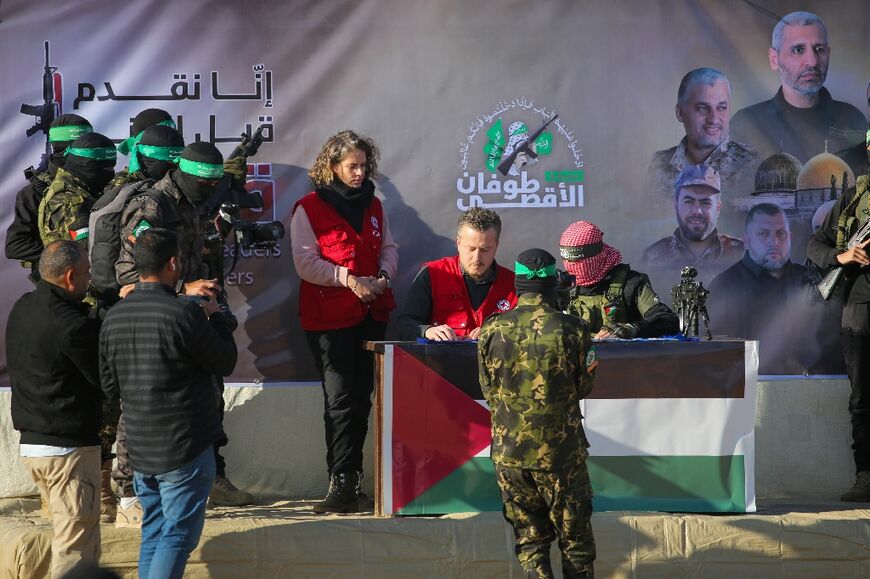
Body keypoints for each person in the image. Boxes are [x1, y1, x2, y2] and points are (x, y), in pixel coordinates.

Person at [112, 141, 253, 523]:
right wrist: (182, 289)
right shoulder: (152, 205)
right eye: (204, 184)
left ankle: (206, 478)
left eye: (215, 184)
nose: (209, 191)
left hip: (192, 318)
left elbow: (199, 250)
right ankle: (128, 493)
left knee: (207, 397)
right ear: (185, 174)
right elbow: (126, 274)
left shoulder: (194, 203)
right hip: (154, 316)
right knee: (140, 404)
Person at [99, 228, 237, 579]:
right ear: (174, 263)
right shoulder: (185, 315)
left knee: (156, 530)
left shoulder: (114, 316)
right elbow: (224, 361)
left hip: (141, 450)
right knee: (176, 535)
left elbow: (109, 385)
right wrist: (216, 315)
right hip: (184, 448)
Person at [290, 130, 398, 513]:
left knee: (363, 399)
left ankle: (353, 481)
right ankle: (338, 481)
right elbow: (306, 263)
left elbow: (388, 248)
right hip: (329, 320)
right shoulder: (309, 207)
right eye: (351, 166)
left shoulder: (375, 205)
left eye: (363, 166)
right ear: (332, 166)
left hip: (372, 314)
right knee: (340, 399)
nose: (358, 173)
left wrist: (383, 277)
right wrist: (348, 280)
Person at [478, 248, 596, 579]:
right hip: (562, 456)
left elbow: (487, 390)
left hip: (510, 455)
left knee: (531, 544)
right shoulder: (574, 329)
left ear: (517, 285)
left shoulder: (491, 329)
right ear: (550, 285)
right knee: (575, 544)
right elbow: (585, 386)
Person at [7, 241, 102, 577]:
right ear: (71, 276)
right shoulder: (70, 323)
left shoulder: (23, 307)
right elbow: (103, 379)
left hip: (36, 447)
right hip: (68, 452)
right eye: (88, 273)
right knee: (76, 551)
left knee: (75, 541)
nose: (91, 280)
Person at [708, 203, 839, 374]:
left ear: (790, 237)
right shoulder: (723, 287)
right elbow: (715, 357)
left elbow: (831, 342)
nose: (774, 242)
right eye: (763, 234)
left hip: (811, 390)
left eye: (781, 234)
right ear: (746, 240)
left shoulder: (811, 281)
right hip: (752, 391)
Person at [730, 11, 868, 163]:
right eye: (798, 50)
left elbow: (864, 183)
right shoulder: (745, 124)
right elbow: (733, 185)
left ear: (828, 54)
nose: (812, 61)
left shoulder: (853, 119)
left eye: (819, 49)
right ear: (774, 58)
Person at [807, 173, 870, 501]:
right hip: (859, 307)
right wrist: (843, 256)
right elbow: (815, 245)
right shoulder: (853, 199)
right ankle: (866, 476)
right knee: (862, 397)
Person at [394, 207, 516, 340]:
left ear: (496, 245)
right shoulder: (433, 274)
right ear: (458, 243)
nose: (476, 257)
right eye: (471, 249)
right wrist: (427, 331)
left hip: (494, 360)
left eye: (485, 250)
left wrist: (499, 332)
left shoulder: (513, 284)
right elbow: (403, 326)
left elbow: (532, 332)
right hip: (441, 360)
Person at [646, 68, 757, 202]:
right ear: (680, 113)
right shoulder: (660, 164)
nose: (714, 119)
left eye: (721, 108)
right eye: (703, 108)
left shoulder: (753, 163)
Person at [6, 114, 93, 281]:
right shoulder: (34, 193)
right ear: (66, 149)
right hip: (59, 286)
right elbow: (15, 246)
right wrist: (66, 255)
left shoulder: (97, 182)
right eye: (85, 148)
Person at [561, 221, 679, 339]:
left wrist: (631, 329)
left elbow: (667, 320)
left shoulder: (630, 282)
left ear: (596, 256)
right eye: (568, 261)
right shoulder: (561, 285)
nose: (572, 267)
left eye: (578, 262)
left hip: (620, 355)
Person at [642, 164, 744, 283]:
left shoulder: (742, 255)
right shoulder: (651, 258)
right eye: (689, 201)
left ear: (718, 208)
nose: (697, 211)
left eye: (705, 202)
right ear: (675, 205)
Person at [38, 132, 117, 248]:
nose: (111, 173)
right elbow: (87, 251)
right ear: (88, 166)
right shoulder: (72, 202)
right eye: (107, 168)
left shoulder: (76, 186)